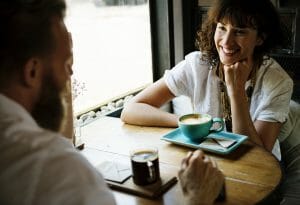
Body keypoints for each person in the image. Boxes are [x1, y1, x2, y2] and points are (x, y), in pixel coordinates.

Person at [0, 0, 224, 204]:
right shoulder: (59, 170)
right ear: (32, 71)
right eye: (66, 64)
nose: (70, 75)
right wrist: (197, 197)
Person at [121, 0, 293, 160]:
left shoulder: (278, 82)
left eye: (239, 31)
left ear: (260, 38)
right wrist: (191, 125)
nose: (226, 41)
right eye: (222, 28)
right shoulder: (198, 65)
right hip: (209, 161)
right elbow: (131, 110)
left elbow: (257, 156)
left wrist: (236, 90)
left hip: (261, 174)